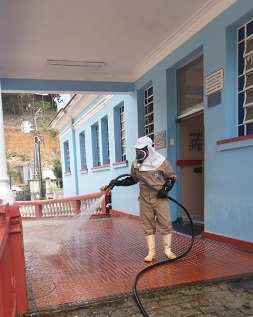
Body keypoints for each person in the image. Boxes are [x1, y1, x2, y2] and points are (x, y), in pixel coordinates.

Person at [108, 136, 177, 262]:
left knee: (165, 222)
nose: (138, 154)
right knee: (147, 225)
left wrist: (165, 189)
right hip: (144, 200)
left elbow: (171, 177)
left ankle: (167, 250)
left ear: (149, 150)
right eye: (137, 151)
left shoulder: (162, 162)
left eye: (140, 151)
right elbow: (133, 179)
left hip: (160, 199)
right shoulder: (136, 164)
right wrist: (118, 182)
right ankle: (151, 253)